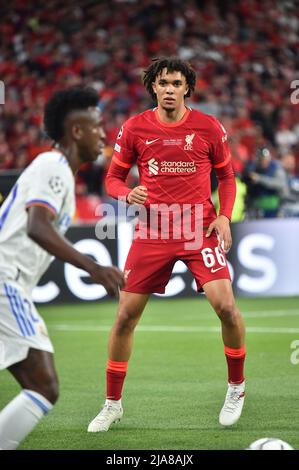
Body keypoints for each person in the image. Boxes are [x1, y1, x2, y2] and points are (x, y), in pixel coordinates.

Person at [88, 58, 246, 433]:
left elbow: (226, 175)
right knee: (125, 316)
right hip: (152, 231)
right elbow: (112, 179)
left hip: (198, 229)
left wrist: (224, 215)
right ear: (154, 88)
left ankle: (236, 387)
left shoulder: (208, 127)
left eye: (177, 83)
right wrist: (127, 195)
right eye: (164, 83)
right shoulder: (135, 128)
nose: (170, 89)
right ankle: (112, 404)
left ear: (187, 88)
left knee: (225, 306)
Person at [0, 87, 125, 450]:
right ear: (76, 131)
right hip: (6, 281)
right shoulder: (53, 166)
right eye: (98, 126)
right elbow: (37, 226)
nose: (104, 134)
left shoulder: (56, 172)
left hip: (10, 282)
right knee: (43, 387)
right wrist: (95, 267)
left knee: (39, 386)